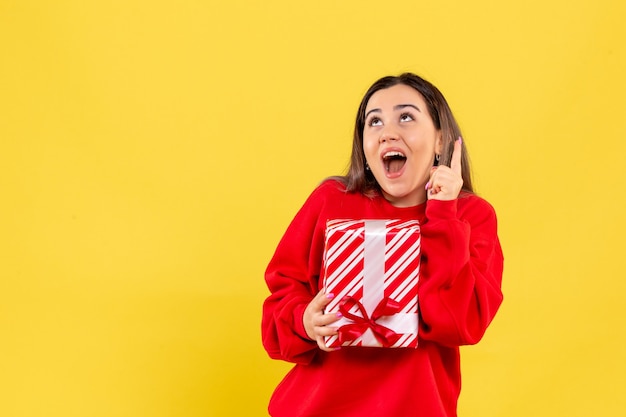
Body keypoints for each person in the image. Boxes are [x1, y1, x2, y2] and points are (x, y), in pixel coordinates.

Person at [261, 73, 504, 417]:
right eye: (374, 121)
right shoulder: (330, 200)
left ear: (440, 140)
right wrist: (305, 320)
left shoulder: (471, 217)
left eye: (406, 116)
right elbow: (277, 309)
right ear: (363, 144)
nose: (388, 131)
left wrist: (443, 214)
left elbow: (460, 322)